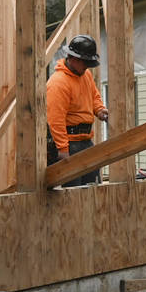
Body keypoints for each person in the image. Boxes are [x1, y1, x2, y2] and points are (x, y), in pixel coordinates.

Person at [46, 34, 109, 187]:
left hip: (85, 141)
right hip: (70, 144)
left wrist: (100, 110)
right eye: (85, 63)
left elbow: (94, 96)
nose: (87, 67)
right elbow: (55, 119)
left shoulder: (85, 74)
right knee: (73, 193)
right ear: (74, 58)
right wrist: (62, 148)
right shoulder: (58, 83)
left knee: (93, 187)